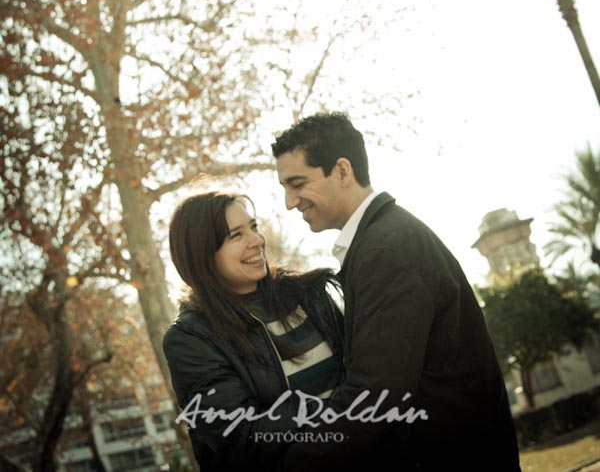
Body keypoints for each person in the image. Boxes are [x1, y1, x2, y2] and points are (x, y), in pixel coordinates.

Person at [272, 112, 522, 472]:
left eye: (297, 183)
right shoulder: (382, 240)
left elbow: (374, 395)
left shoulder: (385, 250)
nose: (289, 202)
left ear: (342, 171)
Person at [162, 190, 344, 472]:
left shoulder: (308, 294)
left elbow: (366, 371)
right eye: (236, 235)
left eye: (254, 227)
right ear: (202, 253)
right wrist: (339, 409)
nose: (257, 241)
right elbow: (239, 439)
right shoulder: (190, 339)